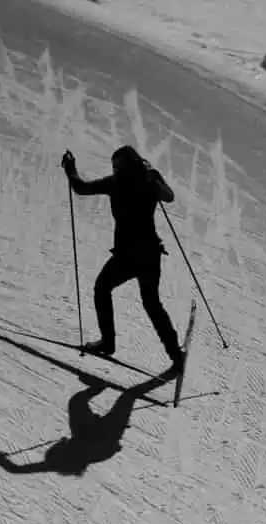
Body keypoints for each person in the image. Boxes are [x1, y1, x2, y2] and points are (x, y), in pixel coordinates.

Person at [61, 145, 183, 371]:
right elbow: (169, 197)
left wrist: (70, 168)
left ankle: (108, 342)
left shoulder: (114, 183)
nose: (116, 169)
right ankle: (175, 354)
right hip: (150, 254)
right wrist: (155, 179)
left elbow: (81, 188)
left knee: (102, 288)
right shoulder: (149, 178)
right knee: (152, 303)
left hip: (127, 256)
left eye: (117, 166)